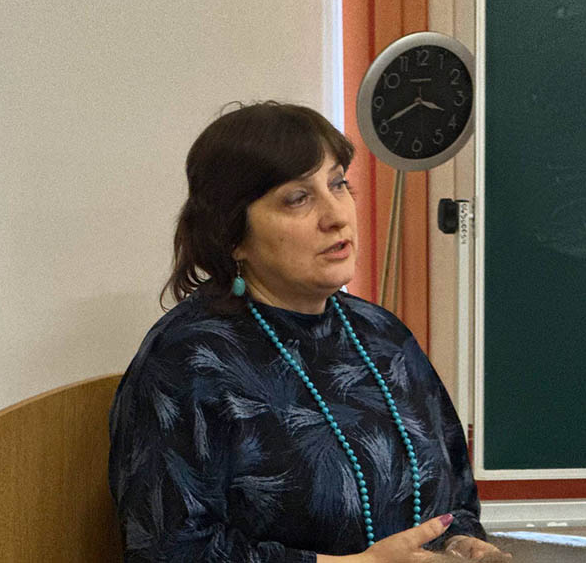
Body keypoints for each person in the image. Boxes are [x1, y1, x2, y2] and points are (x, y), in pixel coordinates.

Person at [108, 101, 509, 562]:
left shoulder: (383, 335)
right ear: (232, 235)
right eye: (298, 198)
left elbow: (454, 496)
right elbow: (171, 550)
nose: (336, 215)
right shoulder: (187, 360)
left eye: (338, 184)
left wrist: (461, 543)